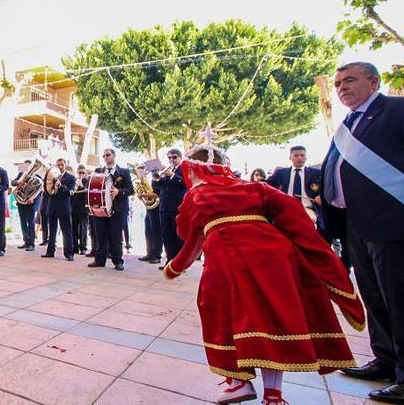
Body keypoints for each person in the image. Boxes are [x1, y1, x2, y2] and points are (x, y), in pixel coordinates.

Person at [165, 144, 365, 405]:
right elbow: (293, 212)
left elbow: (188, 233)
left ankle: (237, 382)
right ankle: (274, 396)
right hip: (273, 257)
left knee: (220, 314)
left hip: (227, 259)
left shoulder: (198, 194)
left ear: (193, 169)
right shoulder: (255, 187)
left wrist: (175, 267)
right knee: (270, 320)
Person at [320, 62, 404, 403]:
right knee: (374, 296)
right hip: (356, 224)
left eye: (349, 80)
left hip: (393, 222)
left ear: (374, 81)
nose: (341, 88)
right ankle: (385, 360)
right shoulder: (348, 124)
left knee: (399, 300)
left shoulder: (397, 111)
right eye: (338, 83)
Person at [87, 149, 133, 270]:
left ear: (114, 155)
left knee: (116, 235)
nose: (105, 157)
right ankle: (99, 259)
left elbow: (130, 190)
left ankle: (118, 261)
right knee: (100, 234)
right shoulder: (98, 171)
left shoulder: (123, 171)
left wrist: (119, 191)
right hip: (101, 208)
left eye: (108, 155)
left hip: (117, 208)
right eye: (104, 156)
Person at [267, 145, 323, 230]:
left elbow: (326, 189)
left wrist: (321, 197)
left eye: (302, 155)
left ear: (306, 158)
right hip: (285, 210)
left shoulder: (316, 173)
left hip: (308, 210)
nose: (299, 158)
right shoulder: (280, 173)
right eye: (296, 155)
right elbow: (267, 186)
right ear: (290, 157)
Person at [40, 158, 76, 260]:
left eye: (62, 165)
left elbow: (70, 192)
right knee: (52, 230)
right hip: (52, 206)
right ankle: (50, 251)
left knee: (66, 231)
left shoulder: (71, 177)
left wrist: (61, 186)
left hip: (64, 207)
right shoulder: (52, 175)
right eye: (58, 165)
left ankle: (69, 253)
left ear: (65, 165)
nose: (60, 167)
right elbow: (47, 191)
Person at [157, 148, 187, 269]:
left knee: (178, 235)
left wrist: (173, 175)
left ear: (180, 158)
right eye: (169, 157)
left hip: (177, 207)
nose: (171, 160)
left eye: (174, 157)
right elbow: (157, 187)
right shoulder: (166, 171)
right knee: (166, 234)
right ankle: (170, 260)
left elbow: (186, 184)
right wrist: (158, 177)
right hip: (164, 207)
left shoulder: (184, 169)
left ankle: (180, 263)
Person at [12, 159, 41, 252]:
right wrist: (18, 182)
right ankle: (26, 241)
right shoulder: (21, 175)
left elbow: (40, 190)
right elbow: (13, 182)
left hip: (31, 203)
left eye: (31, 166)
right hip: (21, 202)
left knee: (31, 222)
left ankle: (31, 243)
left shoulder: (38, 176)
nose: (29, 169)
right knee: (23, 222)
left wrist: (33, 198)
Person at [135, 165, 163, 264]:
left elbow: (157, 194)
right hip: (150, 208)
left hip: (157, 208)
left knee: (156, 232)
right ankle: (149, 253)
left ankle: (157, 255)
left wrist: (143, 195)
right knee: (148, 231)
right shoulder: (150, 180)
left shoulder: (159, 178)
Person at [71, 164, 89, 255]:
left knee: (83, 229)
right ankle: (75, 247)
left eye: (83, 172)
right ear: (76, 172)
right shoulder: (73, 180)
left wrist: (82, 186)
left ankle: (83, 247)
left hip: (83, 208)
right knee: (73, 228)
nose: (81, 174)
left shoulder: (87, 180)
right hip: (74, 207)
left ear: (85, 172)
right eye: (79, 172)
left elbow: (88, 192)